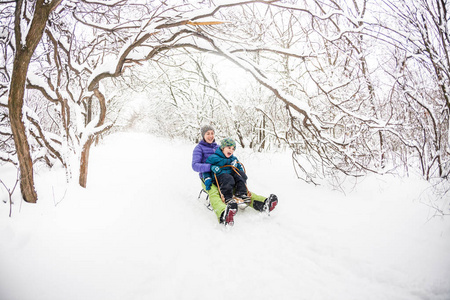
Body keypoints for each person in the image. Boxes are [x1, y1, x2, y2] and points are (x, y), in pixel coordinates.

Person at [192, 125, 278, 226]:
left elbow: (229, 157)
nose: (210, 136)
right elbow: (194, 166)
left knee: (238, 188)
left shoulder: (218, 147)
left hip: (224, 175)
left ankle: (263, 204)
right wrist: (209, 167)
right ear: (203, 135)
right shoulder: (199, 148)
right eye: (208, 134)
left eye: (212, 133)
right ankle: (223, 214)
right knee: (215, 193)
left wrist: (237, 169)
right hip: (208, 177)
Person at [204, 138, 249, 202]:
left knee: (241, 175)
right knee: (228, 178)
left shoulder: (233, 159)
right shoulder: (213, 157)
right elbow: (206, 168)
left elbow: (240, 168)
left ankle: (241, 193)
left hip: (231, 178)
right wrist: (207, 178)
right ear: (222, 148)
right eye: (229, 147)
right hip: (219, 178)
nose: (231, 150)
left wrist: (237, 169)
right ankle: (227, 197)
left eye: (233, 149)